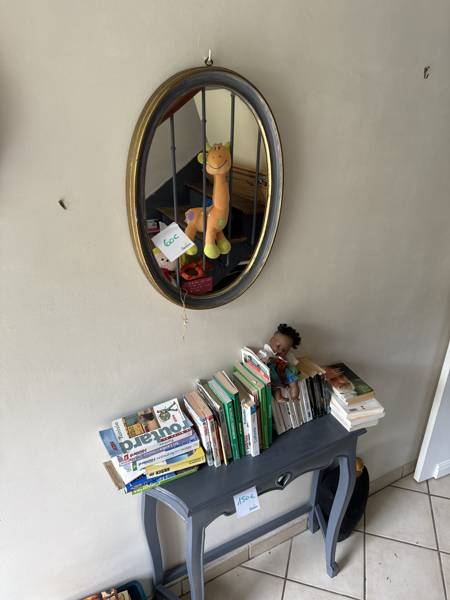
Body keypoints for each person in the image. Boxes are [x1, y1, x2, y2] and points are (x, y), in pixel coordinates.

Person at [258, 323, 302, 403]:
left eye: (284, 350)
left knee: (294, 380)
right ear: (271, 340)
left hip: (283, 371)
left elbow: (293, 362)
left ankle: (295, 396)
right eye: (278, 346)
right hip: (273, 373)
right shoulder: (265, 352)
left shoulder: (287, 355)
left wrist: (291, 365)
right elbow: (260, 360)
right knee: (274, 384)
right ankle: (278, 397)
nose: (280, 350)